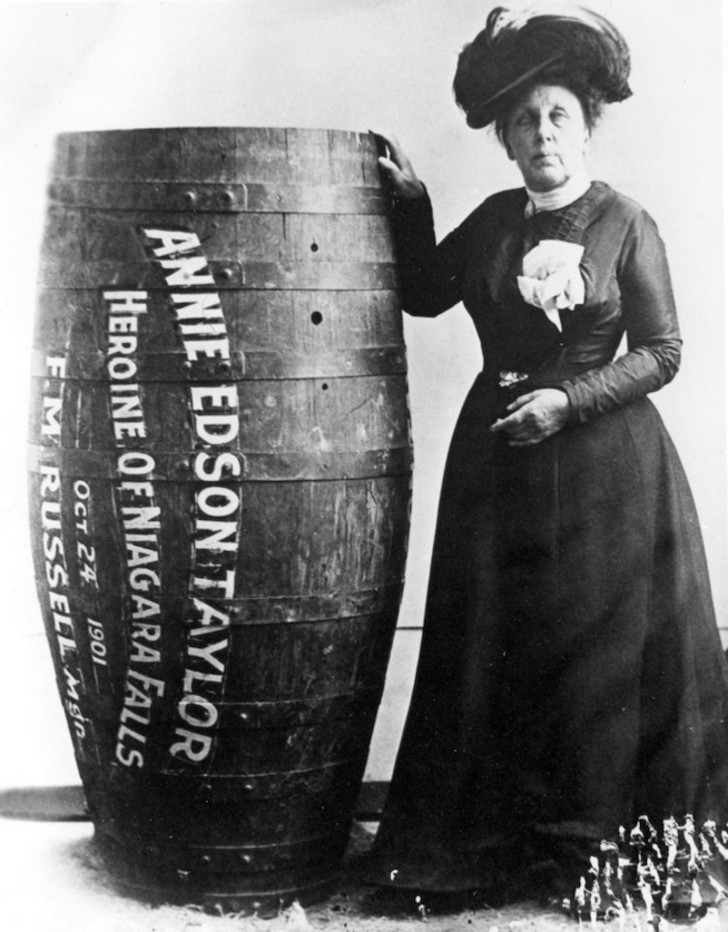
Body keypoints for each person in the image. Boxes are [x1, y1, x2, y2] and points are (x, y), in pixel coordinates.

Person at [367, 4, 728, 908]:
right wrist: (412, 208)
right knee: (495, 643)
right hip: (497, 468)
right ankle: (494, 844)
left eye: (557, 114)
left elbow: (665, 351)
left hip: (610, 473)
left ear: (587, 122)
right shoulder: (494, 222)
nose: (541, 134)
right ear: (505, 139)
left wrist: (571, 398)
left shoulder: (626, 223)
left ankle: (595, 849)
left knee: (595, 658)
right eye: (522, 121)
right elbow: (420, 293)